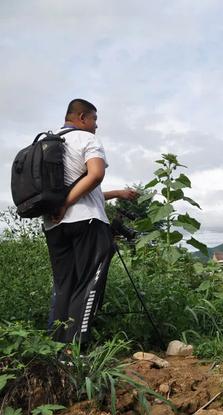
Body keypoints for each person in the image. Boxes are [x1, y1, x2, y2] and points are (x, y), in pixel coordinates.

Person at [43, 98, 138, 345]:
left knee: (64, 285)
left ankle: (54, 347)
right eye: (94, 119)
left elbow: (85, 188)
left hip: (54, 225)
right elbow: (95, 175)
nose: (96, 126)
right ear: (82, 117)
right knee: (88, 283)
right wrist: (66, 203)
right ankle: (75, 350)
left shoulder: (47, 144)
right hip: (87, 222)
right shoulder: (86, 138)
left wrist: (116, 193)